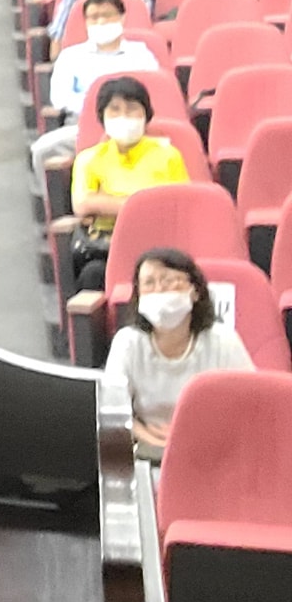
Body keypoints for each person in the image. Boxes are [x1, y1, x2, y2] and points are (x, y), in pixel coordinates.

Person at [102, 247, 252, 460]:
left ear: (195, 291)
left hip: (213, 450)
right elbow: (112, 410)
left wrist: (192, 437)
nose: (159, 290)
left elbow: (249, 405)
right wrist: (153, 442)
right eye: (149, 283)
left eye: (168, 281)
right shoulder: (127, 342)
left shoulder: (224, 341)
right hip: (148, 451)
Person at [70, 75, 190, 289]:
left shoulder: (168, 155)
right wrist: (146, 204)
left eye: (132, 109)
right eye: (114, 110)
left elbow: (178, 207)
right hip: (107, 247)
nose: (123, 116)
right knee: (92, 274)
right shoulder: (89, 159)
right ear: (102, 117)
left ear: (146, 114)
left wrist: (107, 202)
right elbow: (83, 204)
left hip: (159, 246)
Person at [30, 0, 164, 175]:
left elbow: (155, 92)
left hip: (134, 126)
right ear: (86, 22)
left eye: (107, 15)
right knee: (41, 150)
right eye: (94, 17)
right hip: (81, 127)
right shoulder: (70, 56)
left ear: (122, 18)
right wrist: (99, 111)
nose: (101, 21)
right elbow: (60, 98)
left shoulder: (141, 54)